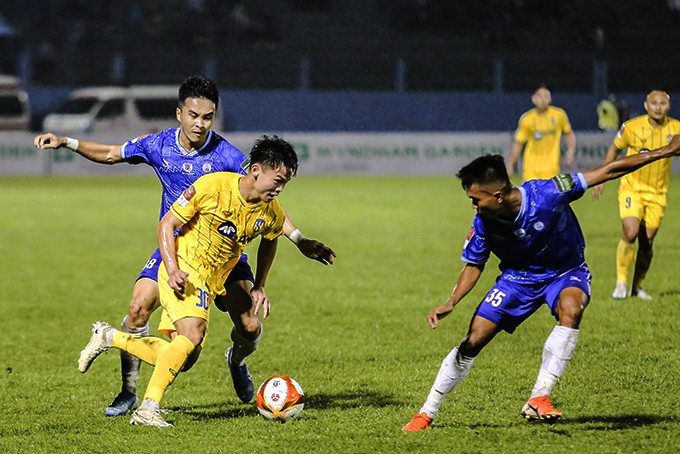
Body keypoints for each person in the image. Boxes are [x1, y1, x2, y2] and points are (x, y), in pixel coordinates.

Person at [34, 75, 335, 417]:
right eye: (194, 115)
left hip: (225, 252)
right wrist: (65, 142)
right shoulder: (158, 145)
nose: (200, 124)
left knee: (249, 326)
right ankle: (128, 392)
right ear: (180, 114)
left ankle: (236, 361)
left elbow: (266, 203)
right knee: (138, 310)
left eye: (208, 117)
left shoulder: (227, 156)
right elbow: (110, 154)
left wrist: (299, 239)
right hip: (176, 246)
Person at [402, 134, 680, 431]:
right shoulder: (483, 222)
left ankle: (539, 398)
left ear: (497, 196)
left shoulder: (548, 193)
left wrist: (665, 151)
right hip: (517, 279)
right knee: (473, 341)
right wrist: (451, 301)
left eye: (475, 199)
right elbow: (474, 263)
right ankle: (426, 413)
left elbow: (607, 171)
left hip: (565, 271)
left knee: (571, 310)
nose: (473, 206)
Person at [78, 135, 299, 427]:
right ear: (256, 170)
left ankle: (109, 337)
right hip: (185, 266)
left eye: (285, 183)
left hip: (212, 277)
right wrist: (171, 268)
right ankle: (147, 408)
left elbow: (271, 238)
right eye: (277, 180)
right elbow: (166, 223)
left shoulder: (271, 209)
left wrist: (259, 285)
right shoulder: (213, 186)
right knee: (192, 334)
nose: (280, 188)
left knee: (183, 357)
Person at [593, 90, 680, 300]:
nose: (658, 107)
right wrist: (602, 177)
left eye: (662, 103)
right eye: (654, 103)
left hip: (658, 194)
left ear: (668, 106)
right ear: (646, 105)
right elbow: (614, 149)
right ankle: (621, 283)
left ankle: (636, 287)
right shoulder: (631, 127)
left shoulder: (676, 128)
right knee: (630, 233)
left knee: (647, 242)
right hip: (632, 188)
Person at [507, 86, 576, 181]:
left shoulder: (559, 115)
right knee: (530, 195)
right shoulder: (527, 119)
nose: (543, 99)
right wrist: (510, 164)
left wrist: (571, 150)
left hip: (551, 168)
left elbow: (568, 133)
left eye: (546, 96)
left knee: (550, 195)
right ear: (534, 99)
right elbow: (519, 142)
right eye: (540, 96)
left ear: (550, 99)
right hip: (531, 168)